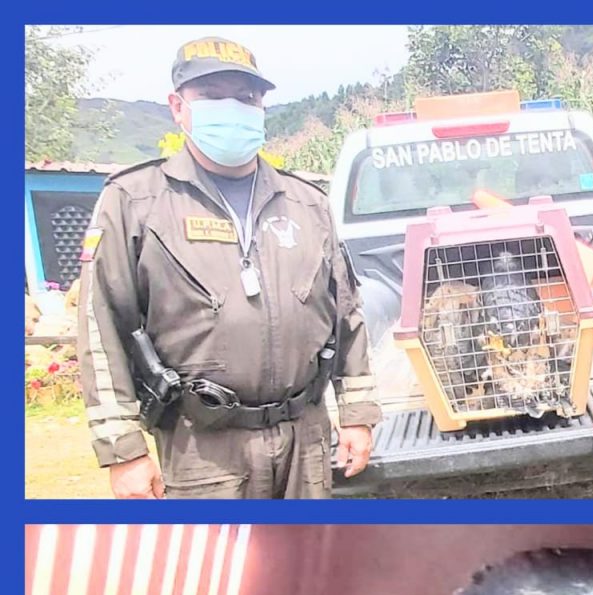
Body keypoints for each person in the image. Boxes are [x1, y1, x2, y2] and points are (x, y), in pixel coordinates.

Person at [77, 36, 380, 499]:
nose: (233, 108)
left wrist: (357, 415)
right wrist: (124, 451)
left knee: (311, 545)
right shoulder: (135, 201)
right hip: (203, 449)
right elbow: (102, 324)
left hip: (305, 440)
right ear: (178, 107)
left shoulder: (306, 203)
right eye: (212, 95)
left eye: (246, 97)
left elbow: (347, 315)